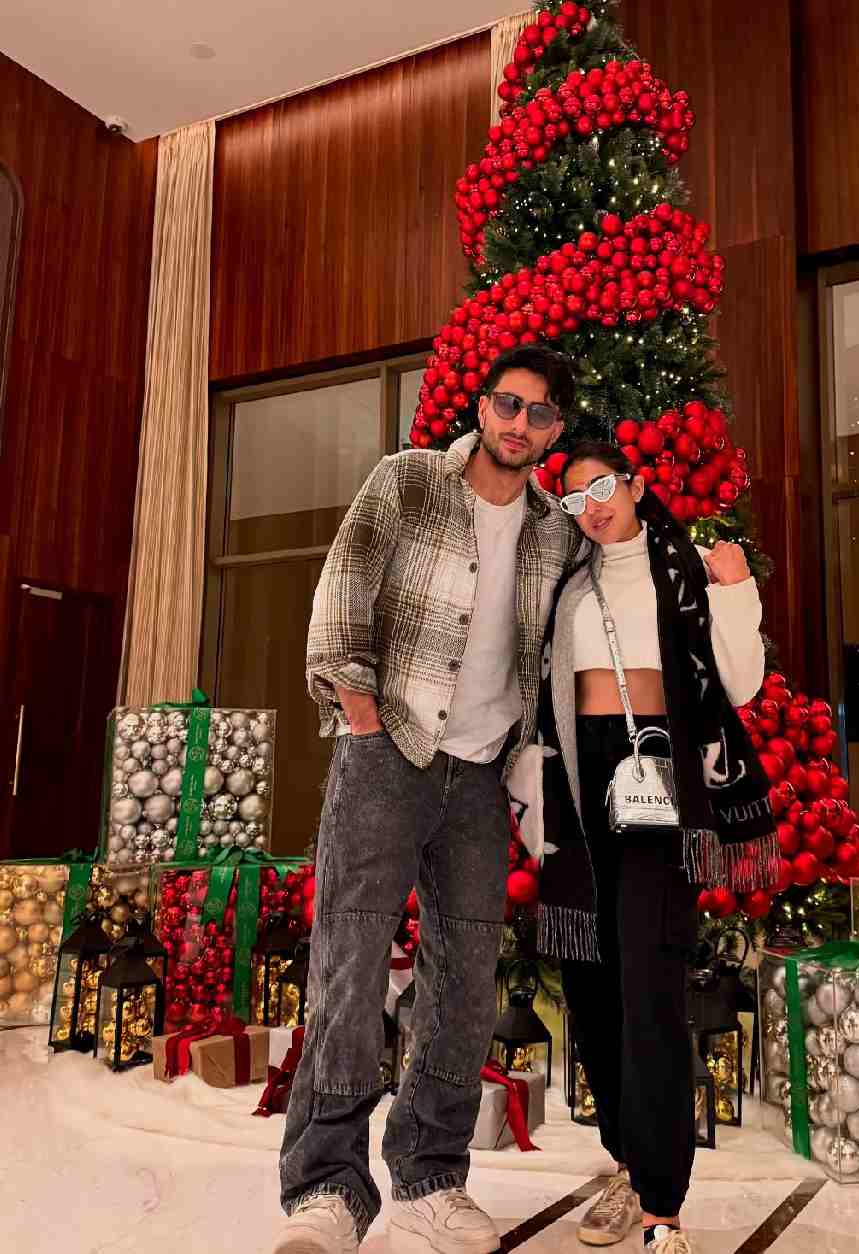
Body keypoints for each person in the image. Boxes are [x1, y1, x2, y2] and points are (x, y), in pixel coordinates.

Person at [275, 346, 582, 1254]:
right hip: (389, 755)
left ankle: (431, 1177)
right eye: (507, 405)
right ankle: (327, 1191)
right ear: (484, 408)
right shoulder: (406, 483)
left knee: (463, 979)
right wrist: (362, 715)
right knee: (350, 962)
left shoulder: (555, 532)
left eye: (537, 414)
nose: (518, 423)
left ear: (554, 432)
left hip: (483, 774)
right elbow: (341, 600)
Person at [508, 440, 778, 1254]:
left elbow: (741, 684)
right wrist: (531, 781)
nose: (589, 505)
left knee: (650, 984)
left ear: (631, 483)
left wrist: (736, 593)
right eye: (570, 496)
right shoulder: (566, 583)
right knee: (592, 990)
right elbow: (535, 684)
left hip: (659, 776)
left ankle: (663, 1201)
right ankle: (627, 1165)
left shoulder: (686, 566)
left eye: (599, 485)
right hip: (579, 783)